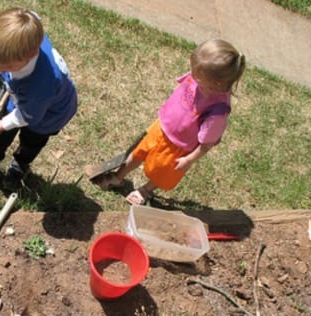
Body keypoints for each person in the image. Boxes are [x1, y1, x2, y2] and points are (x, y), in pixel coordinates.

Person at [99, 38, 246, 205]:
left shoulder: (217, 111)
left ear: (216, 83)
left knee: (163, 172)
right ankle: (118, 177)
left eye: (196, 75)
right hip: (162, 127)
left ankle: (146, 190)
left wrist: (189, 160)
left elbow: (207, 144)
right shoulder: (201, 75)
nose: (191, 75)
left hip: (179, 146)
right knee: (139, 152)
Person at [0, 8, 78, 191]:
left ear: (31, 54)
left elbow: (27, 116)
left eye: (7, 65)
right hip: (26, 98)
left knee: (32, 140)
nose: (0, 68)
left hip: (48, 114)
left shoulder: (41, 85)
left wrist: (1, 125)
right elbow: (32, 15)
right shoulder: (29, 35)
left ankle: (19, 165)